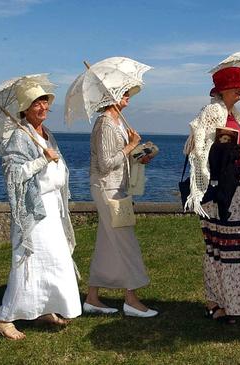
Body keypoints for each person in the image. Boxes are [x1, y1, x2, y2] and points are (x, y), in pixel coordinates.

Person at [0, 81, 81, 340]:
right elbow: (13, 175)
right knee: (27, 262)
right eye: (37, 102)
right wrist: (42, 160)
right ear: (25, 108)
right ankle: (2, 320)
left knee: (54, 259)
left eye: (45, 101)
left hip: (52, 208)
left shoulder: (46, 133)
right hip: (33, 211)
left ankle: (43, 308)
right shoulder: (18, 135)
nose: (43, 107)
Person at [184, 66, 240, 324]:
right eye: (236, 88)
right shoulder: (212, 112)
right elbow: (197, 149)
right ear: (222, 90)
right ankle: (220, 303)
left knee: (236, 247)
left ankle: (229, 301)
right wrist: (223, 153)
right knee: (224, 248)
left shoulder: (236, 115)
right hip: (222, 192)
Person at [84, 89, 158, 318]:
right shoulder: (105, 124)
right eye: (123, 92)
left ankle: (92, 298)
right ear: (111, 96)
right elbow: (106, 164)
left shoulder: (116, 122)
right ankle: (131, 300)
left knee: (107, 244)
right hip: (108, 190)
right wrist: (130, 144)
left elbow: (120, 157)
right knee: (127, 243)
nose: (128, 96)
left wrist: (139, 154)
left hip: (117, 188)